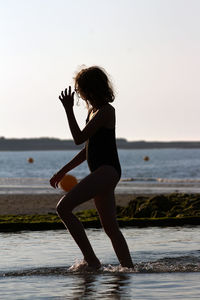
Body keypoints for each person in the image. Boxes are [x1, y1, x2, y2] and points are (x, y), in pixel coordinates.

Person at [50, 66, 133, 270]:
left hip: (107, 171)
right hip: (103, 173)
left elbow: (79, 139)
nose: (78, 93)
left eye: (80, 89)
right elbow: (87, 149)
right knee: (111, 228)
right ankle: (128, 269)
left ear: (90, 88)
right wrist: (63, 171)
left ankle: (92, 261)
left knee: (63, 208)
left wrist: (68, 110)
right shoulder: (92, 111)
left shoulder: (106, 111)